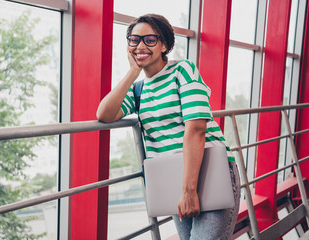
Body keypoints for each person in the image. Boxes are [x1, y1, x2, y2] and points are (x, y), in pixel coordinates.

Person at [96, 13, 240, 239]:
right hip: (175, 177)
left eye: (149, 40)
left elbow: (196, 129)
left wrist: (189, 190)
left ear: (164, 44)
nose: (140, 45)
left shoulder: (182, 70)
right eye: (134, 40)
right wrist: (133, 72)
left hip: (208, 173)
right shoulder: (138, 90)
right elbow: (104, 113)